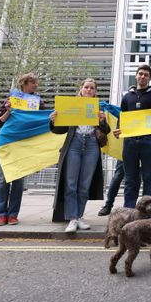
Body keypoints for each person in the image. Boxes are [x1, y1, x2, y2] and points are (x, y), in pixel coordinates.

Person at [49, 78, 110, 232]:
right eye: (86, 87)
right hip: (74, 144)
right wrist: (53, 120)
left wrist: (102, 120)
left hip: (91, 145)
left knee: (84, 185)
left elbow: (106, 130)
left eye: (92, 88)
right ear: (81, 89)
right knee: (71, 184)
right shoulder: (70, 106)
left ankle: (80, 216)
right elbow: (58, 130)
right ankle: (72, 218)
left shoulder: (98, 108)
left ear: (95, 91)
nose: (89, 90)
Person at [0, 73, 45, 226]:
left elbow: (41, 121)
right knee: (4, 180)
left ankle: (13, 214)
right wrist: (8, 110)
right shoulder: (11, 100)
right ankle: (1, 214)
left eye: (36, 83)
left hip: (24, 144)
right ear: (23, 83)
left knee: (18, 181)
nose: (35, 85)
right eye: (32, 82)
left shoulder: (38, 102)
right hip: (8, 142)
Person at [114, 64, 151, 208]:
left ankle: (148, 210)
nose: (142, 77)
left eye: (146, 75)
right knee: (130, 179)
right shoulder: (127, 96)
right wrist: (118, 129)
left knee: (148, 178)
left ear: (149, 78)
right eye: (140, 74)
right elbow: (122, 117)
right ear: (136, 75)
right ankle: (129, 210)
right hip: (130, 142)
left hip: (149, 141)